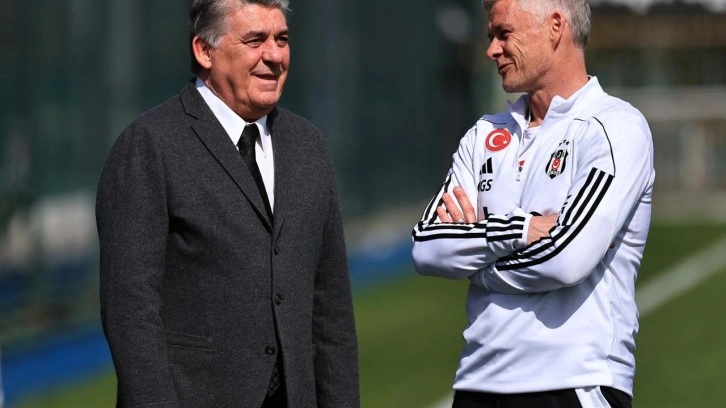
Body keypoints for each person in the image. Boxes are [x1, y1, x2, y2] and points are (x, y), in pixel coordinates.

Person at [95, 1, 359, 407]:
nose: (274, 55)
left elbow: (331, 310)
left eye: (282, 39)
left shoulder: (309, 148)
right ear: (205, 51)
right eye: (255, 40)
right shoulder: (150, 145)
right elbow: (130, 310)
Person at [411, 0, 654, 407]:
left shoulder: (614, 128)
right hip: (476, 384)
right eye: (491, 36)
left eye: (504, 33)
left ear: (555, 26)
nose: (491, 49)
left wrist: (476, 261)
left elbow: (567, 258)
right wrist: (521, 230)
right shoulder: (483, 134)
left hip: (574, 384)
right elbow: (427, 247)